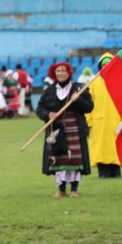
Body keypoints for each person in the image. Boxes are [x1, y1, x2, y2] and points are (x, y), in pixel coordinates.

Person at [37, 61, 94, 197]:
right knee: (59, 157)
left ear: (69, 73)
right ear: (54, 73)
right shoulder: (49, 91)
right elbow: (40, 109)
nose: (61, 73)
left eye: (63, 71)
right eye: (58, 71)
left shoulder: (79, 88)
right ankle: (61, 190)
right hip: (56, 129)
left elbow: (89, 107)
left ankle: (74, 189)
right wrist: (48, 114)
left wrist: (78, 100)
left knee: (74, 159)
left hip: (75, 128)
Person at [87, 53, 122, 179]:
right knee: (100, 147)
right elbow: (88, 104)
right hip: (99, 121)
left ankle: (116, 171)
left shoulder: (120, 81)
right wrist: (89, 121)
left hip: (116, 121)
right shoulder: (94, 83)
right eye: (104, 65)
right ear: (100, 67)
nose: (107, 66)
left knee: (115, 146)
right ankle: (103, 171)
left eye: (109, 64)